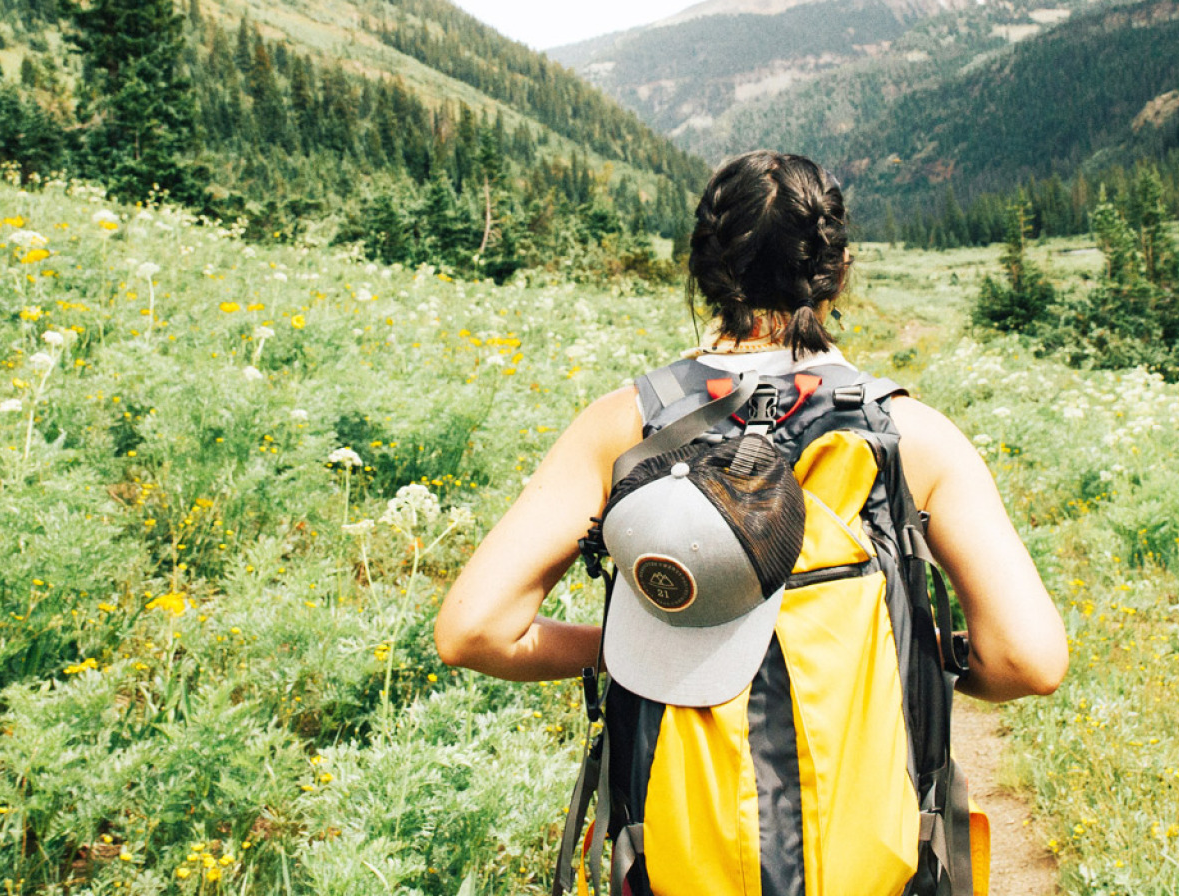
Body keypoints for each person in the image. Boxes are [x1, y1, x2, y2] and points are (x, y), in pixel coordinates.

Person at [434, 150, 1067, 890]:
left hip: (679, 865)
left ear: (703, 270)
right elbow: (1030, 659)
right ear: (841, 270)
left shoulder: (625, 426)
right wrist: (916, 656)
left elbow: (473, 631)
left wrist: (626, 650)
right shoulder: (912, 435)